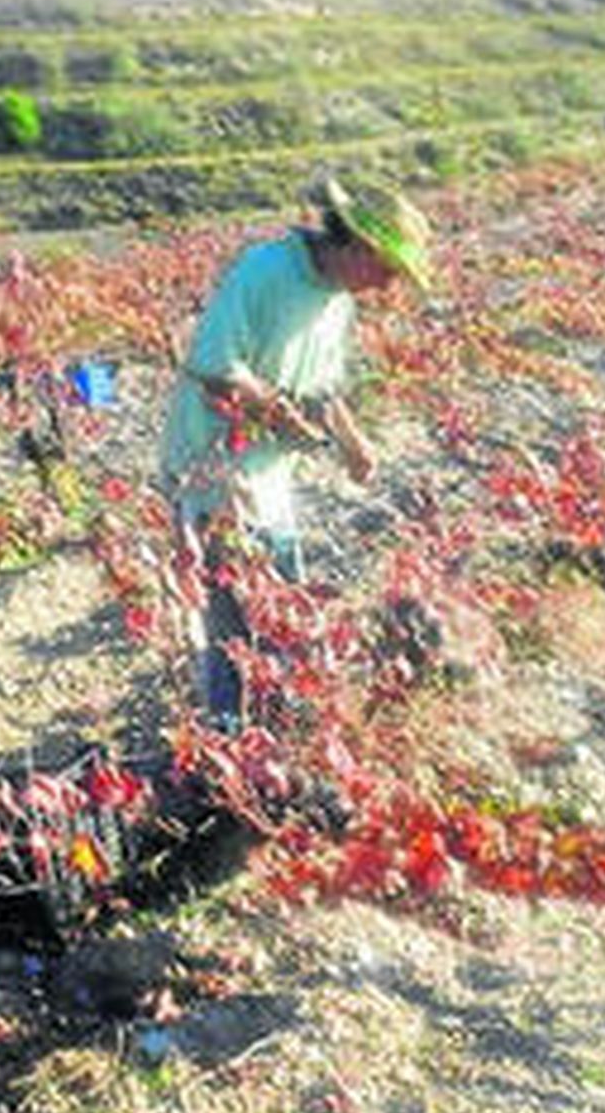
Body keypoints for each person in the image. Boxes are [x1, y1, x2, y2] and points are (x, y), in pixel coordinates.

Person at [159, 174, 433, 728]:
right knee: (232, 622)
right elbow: (212, 362)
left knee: (282, 605)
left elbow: (324, 387)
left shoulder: (338, 299)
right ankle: (230, 743)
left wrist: (354, 442)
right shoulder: (265, 272)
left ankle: (276, 729)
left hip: (268, 476)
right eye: (386, 270)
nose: (387, 287)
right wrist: (277, 411)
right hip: (213, 472)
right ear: (358, 246)